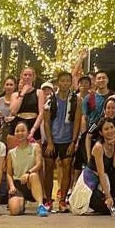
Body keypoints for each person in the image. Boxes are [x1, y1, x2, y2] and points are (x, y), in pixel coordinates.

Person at [44, 70, 82, 212]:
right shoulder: (50, 99)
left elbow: (77, 121)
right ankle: (48, 199)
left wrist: (73, 141)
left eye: (68, 81)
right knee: (48, 166)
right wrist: (49, 141)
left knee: (67, 166)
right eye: (62, 81)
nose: (65, 84)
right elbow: (46, 122)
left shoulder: (76, 100)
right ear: (58, 82)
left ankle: (62, 200)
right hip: (52, 139)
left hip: (67, 139)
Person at [6, 121, 48, 216]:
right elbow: (9, 173)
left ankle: (40, 205)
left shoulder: (35, 147)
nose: (20, 133)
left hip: (30, 181)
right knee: (14, 210)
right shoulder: (11, 153)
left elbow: (39, 164)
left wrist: (28, 172)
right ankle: (21, 202)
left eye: (23, 130)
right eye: (17, 131)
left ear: (28, 133)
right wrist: (12, 186)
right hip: (18, 183)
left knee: (33, 175)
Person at [89, 117, 115, 215]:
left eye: (112, 127)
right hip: (92, 184)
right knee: (105, 207)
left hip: (105, 181)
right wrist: (108, 196)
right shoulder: (98, 147)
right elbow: (101, 174)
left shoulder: (114, 143)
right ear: (101, 133)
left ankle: (112, 202)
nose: (110, 131)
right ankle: (109, 202)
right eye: (106, 129)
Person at [9, 67, 44, 139]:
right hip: (18, 124)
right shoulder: (15, 95)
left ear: (33, 77)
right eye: (25, 75)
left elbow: (41, 113)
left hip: (33, 124)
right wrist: (23, 93)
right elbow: (13, 111)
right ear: (21, 76)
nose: (27, 77)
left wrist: (34, 129)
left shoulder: (39, 92)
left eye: (30, 75)